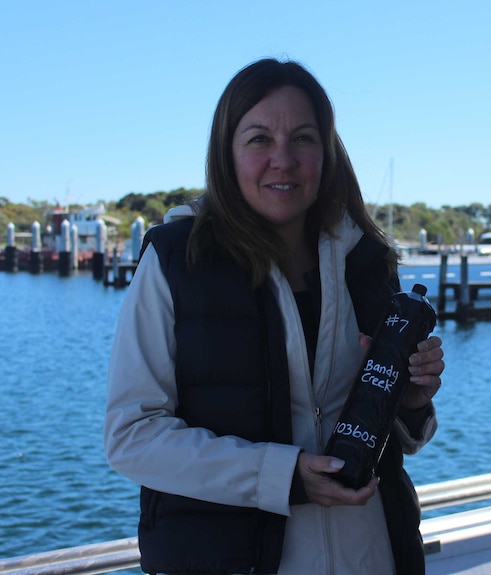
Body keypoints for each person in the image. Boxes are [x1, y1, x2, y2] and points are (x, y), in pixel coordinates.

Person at [104, 58, 444, 575]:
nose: (282, 160)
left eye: (303, 139)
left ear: (326, 154)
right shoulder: (177, 260)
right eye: (259, 139)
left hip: (373, 555)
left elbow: (390, 431)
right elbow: (133, 436)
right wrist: (282, 476)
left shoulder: (367, 259)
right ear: (227, 152)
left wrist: (412, 401)